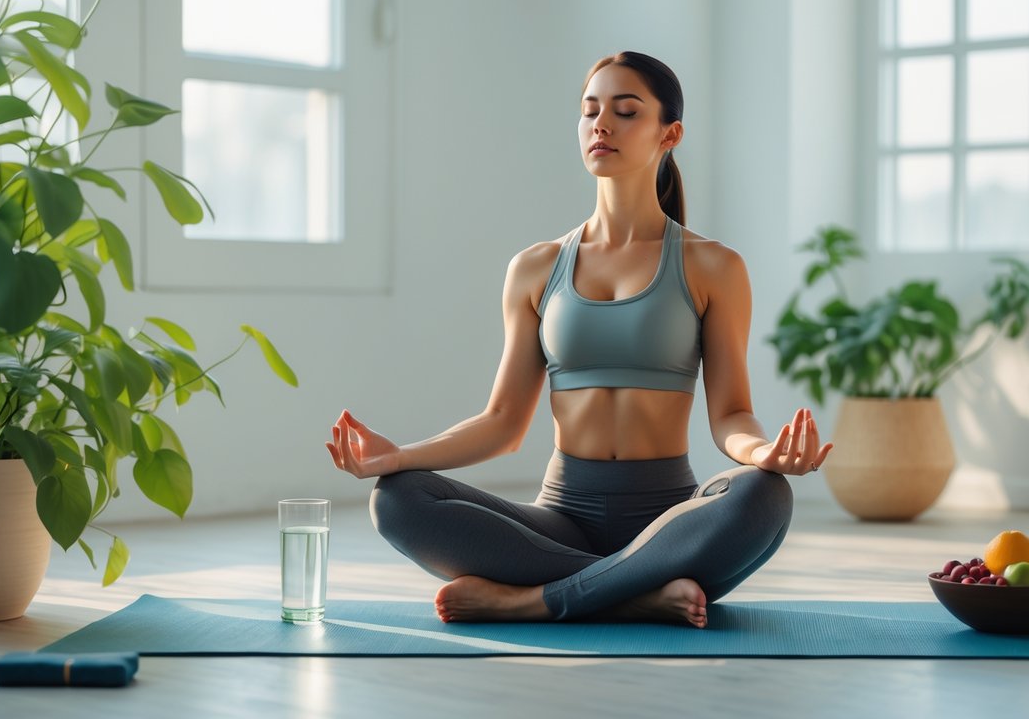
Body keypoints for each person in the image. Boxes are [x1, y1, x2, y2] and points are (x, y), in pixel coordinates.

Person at [326, 51, 832, 628]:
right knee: (396, 499)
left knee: (764, 496)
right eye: (590, 111)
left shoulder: (714, 266)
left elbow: (733, 414)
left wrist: (764, 454)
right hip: (561, 518)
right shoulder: (536, 268)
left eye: (626, 111)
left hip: (669, 518)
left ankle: (537, 600)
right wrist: (398, 457)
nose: (601, 124)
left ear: (670, 134)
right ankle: (634, 590)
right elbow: (501, 423)